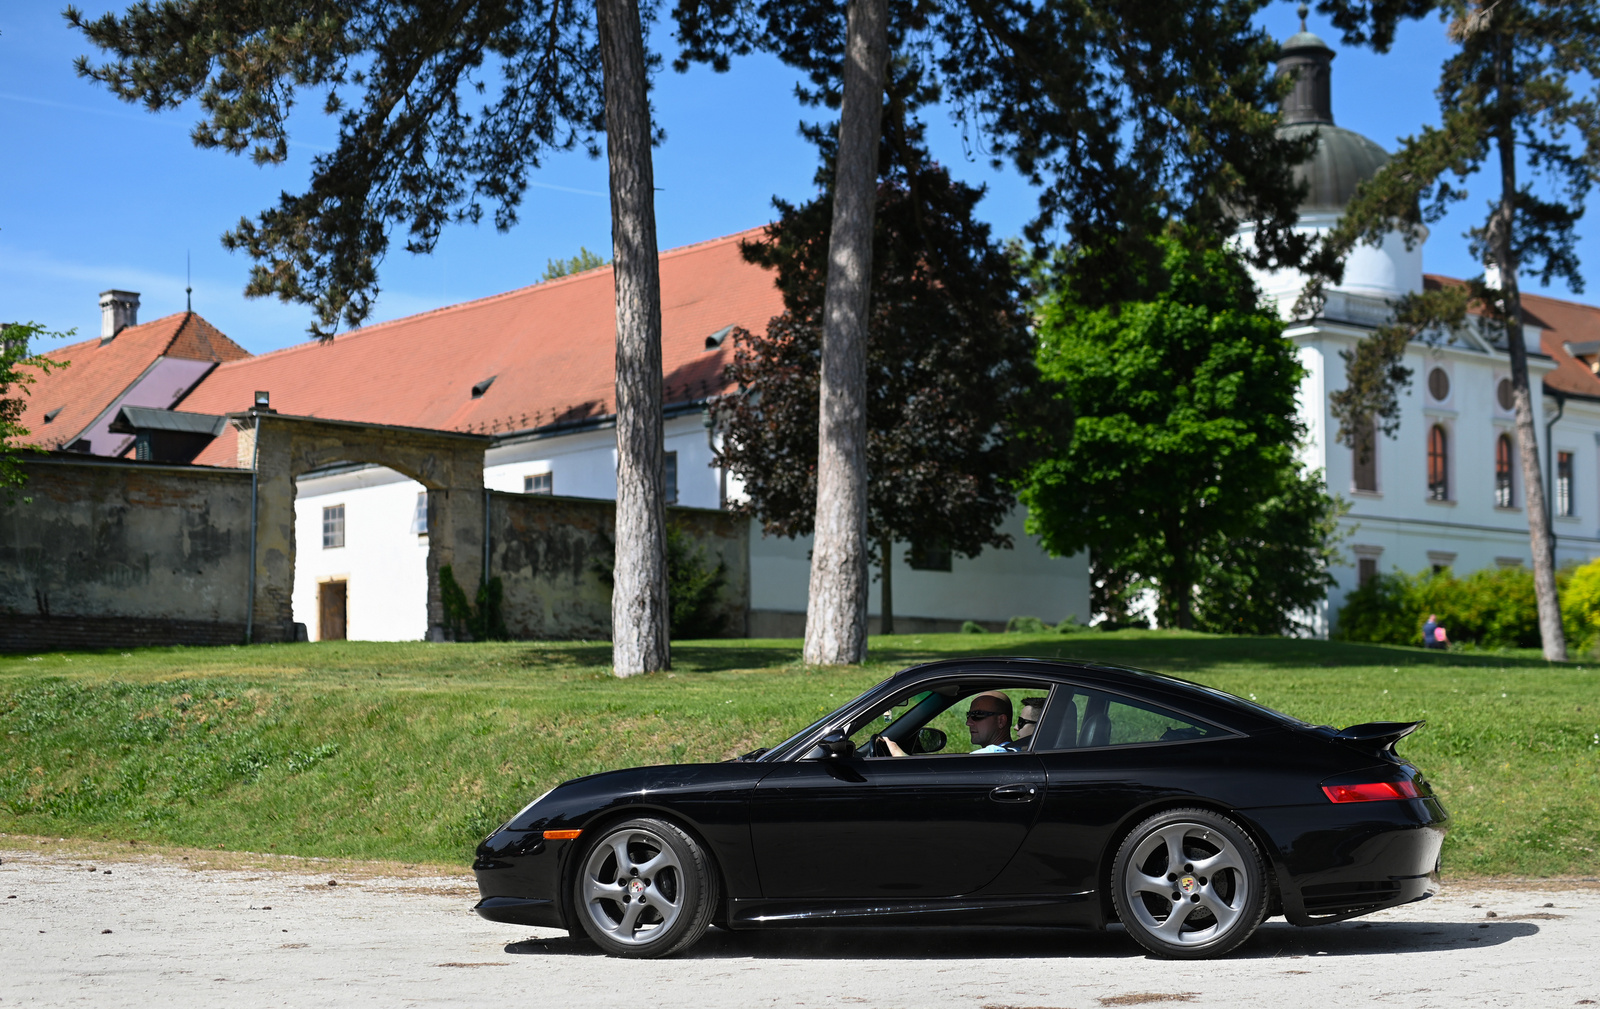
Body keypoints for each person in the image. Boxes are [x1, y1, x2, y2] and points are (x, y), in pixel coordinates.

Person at [879, 690, 1021, 756]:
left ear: (1001, 721)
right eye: (969, 715)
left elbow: (935, 782)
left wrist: (899, 755)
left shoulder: (989, 755)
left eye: (977, 715)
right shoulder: (1017, 751)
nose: (968, 723)